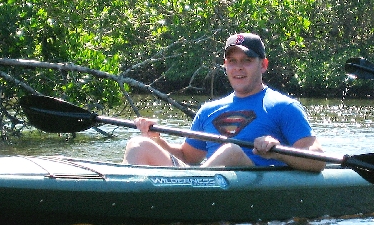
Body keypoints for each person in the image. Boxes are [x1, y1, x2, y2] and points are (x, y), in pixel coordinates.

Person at [123, 33, 325, 172]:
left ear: (263, 65)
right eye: (232, 61)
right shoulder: (208, 110)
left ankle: (194, 190)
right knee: (138, 144)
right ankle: (124, 198)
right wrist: (157, 140)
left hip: (253, 182)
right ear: (225, 65)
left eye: (246, 61)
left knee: (232, 151)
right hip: (203, 179)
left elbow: (317, 160)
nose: (238, 68)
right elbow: (188, 157)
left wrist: (278, 152)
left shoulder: (284, 107)